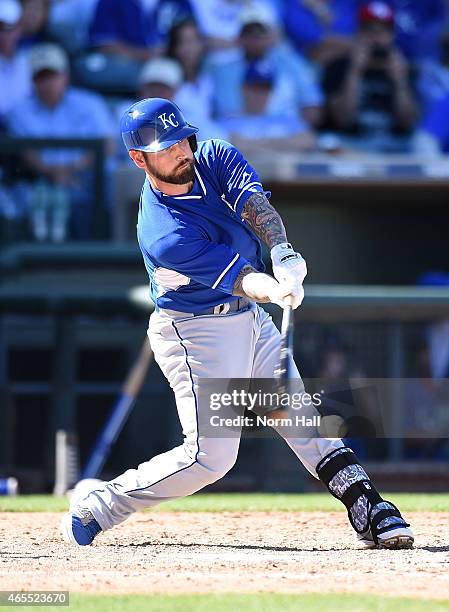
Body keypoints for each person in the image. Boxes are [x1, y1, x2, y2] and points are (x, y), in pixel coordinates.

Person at [60, 97, 414, 551]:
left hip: (248, 320)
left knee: (302, 418)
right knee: (210, 458)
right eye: (166, 148)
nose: (181, 152)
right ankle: (100, 504)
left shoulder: (213, 155)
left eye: (182, 140)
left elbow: (254, 204)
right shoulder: (162, 231)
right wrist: (272, 287)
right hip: (194, 331)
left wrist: (283, 252)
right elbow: (240, 278)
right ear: (139, 158)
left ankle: (370, 507)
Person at [6, 43, 115, 241]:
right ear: (33, 80)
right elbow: (25, 152)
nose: (48, 82)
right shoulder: (19, 111)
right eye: (41, 76)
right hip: (39, 180)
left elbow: (108, 144)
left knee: (106, 185)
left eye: (53, 75)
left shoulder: (90, 103)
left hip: (86, 179)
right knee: (31, 197)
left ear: (65, 76)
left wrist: (70, 170)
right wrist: (54, 174)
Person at [322, 1, 417, 153]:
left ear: (392, 35)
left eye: (383, 31)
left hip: (393, 146)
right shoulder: (337, 67)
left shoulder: (404, 68)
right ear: (358, 32)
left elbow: (407, 122)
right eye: (369, 30)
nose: (376, 38)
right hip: (351, 145)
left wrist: (400, 82)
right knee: (328, 144)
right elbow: (342, 119)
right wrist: (354, 72)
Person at [209, 3, 324, 128]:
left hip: (287, 131)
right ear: (239, 38)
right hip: (245, 132)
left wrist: (294, 129)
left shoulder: (292, 63)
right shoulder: (225, 69)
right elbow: (229, 116)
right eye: (249, 33)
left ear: (271, 36)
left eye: (260, 33)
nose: (255, 39)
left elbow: (312, 107)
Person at [0, 0, 32, 125]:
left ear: (19, 28)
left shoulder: (30, 60)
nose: (2, 35)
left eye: (8, 28)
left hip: (24, 132)